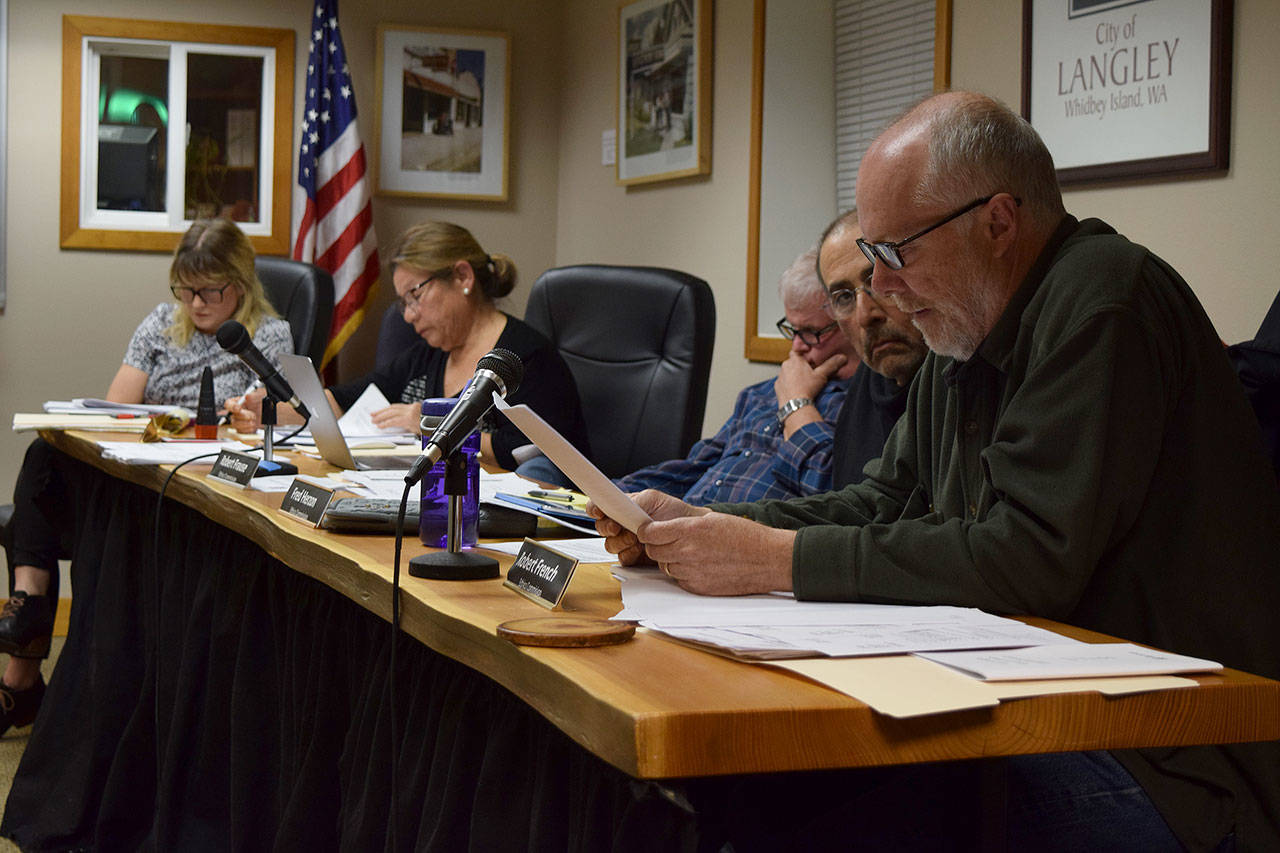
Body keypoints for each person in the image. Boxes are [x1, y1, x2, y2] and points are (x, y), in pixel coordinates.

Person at [592, 92, 1280, 850]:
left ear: (998, 222)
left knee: (804, 804)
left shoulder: (1103, 302)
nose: (881, 290)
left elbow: (1025, 557)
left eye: (895, 254)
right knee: (730, 791)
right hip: (1039, 703)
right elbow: (883, 500)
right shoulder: (962, 332)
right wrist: (702, 529)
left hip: (1168, 757)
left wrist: (770, 558)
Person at [1, 218, 293, 736]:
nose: (195, 302)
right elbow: (117, 406)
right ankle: (28, 600)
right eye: (185, 288)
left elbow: (285, 413)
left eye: (208, 290)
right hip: (139, 467)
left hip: (201, 477)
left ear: (241, 285)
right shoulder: (162, 321)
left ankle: (20, 671)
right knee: (44, 456)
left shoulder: (267, 335)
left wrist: (252, 414)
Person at [227, 221, 591, 473]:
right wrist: (270, 409)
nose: (408, 317)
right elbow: (348, 399)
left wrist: (430, 425)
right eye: (403, 303)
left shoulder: (526, 357)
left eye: (415, 295)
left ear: (463, 277)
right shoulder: (428, 352)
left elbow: (533, 452)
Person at [610, 248, 860, 504]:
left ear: (851, 321)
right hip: (685, 527)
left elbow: (834, 494)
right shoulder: (761, 394)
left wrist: (796, 402)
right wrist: (609, 494)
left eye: (811, 331)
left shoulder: (865, 406)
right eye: (793, 329)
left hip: (743, 536)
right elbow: (693, 469)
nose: (797, 346)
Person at [814, 210, 928, 487]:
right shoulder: (867, 384)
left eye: (875, 281)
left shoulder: (961, 376)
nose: (865, 316)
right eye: (843, 297)